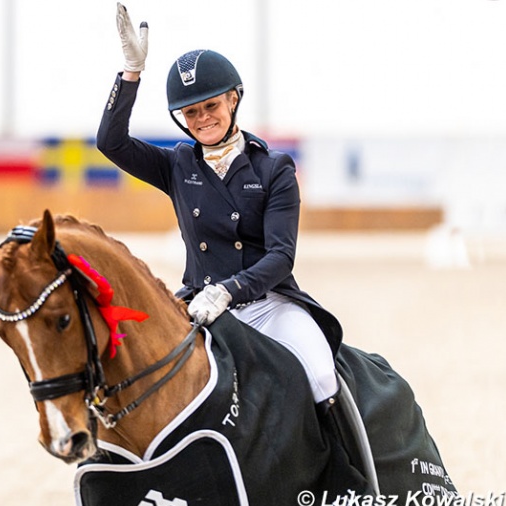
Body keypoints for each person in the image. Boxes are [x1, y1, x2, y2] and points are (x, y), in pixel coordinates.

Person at [97, 3, 344, 411]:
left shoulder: (273, 168)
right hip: (197, 307)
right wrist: (130, 74)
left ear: (233, 100)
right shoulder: (177, 165)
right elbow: (111, 142)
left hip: (267, 306)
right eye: (191, 112)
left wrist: (228, 291)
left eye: (211, 106)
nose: (202, 118)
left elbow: (282, 256)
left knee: (322, 376)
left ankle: (350, 472)